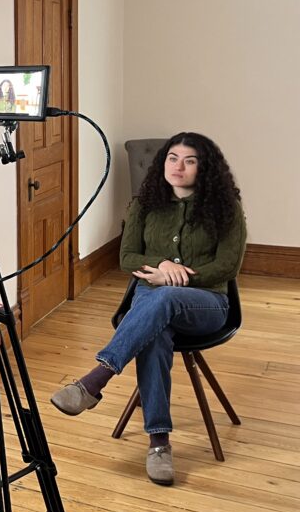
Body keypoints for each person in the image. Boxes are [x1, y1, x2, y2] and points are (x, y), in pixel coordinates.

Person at [50, 132, 246, 485]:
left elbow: (227, 266)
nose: (179, 166)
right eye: (172, 158)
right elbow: (127, 257)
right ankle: (159, 442)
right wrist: (161, 264)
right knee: (156, 335)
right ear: (163, 162)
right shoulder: (145, 202)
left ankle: (97, 379)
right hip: (149, 303)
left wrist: (176, 276)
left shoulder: (226, 206)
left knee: (166, 298)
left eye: (189, 160)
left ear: (205, 167)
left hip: (207, 304)